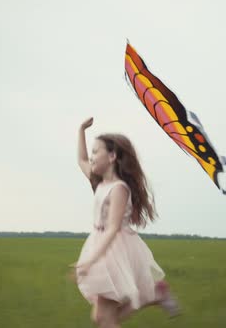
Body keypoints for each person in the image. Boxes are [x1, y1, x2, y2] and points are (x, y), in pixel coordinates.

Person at [72, 117, 180, 327]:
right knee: (101, 317)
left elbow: (112, 228)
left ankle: (154, 295)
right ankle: (154, 295)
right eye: (92, 152)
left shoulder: (119, 189)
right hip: (100, 244)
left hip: (113, 251)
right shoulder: (99, 182)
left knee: (105, 319)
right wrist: (80, 131)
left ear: (112, 156)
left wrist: (91, 260)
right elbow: (81, 160)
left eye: (96, 152)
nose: (91, 157)